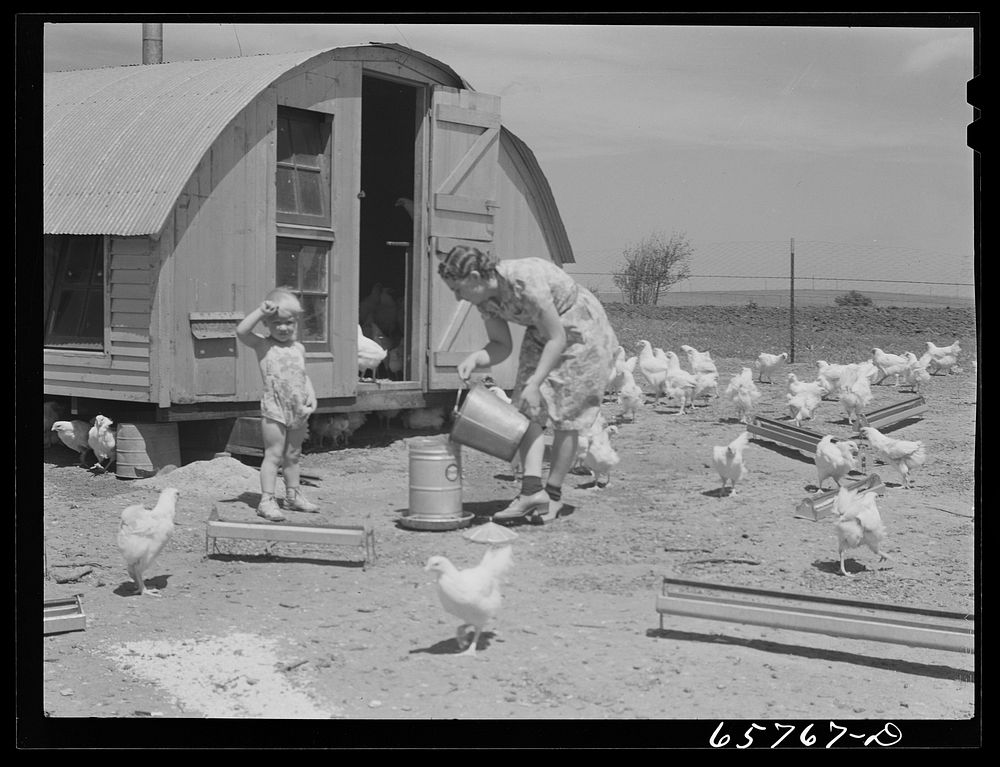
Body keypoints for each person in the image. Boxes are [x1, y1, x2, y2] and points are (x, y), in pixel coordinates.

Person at [439, 245, 619, 524]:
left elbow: (557, 338)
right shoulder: (484, 300)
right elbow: (501, 345)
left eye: (457, 288)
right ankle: (531, 492)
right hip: (543, 333)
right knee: (525, 409)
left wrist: (536, 382)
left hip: (581, 329)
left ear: (475, 277)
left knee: (567, 416)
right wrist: (477, 357)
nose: (456, 296)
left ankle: (554, 497)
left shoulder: (525, 281)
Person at [236, 288, 319, 521]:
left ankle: (293, 496)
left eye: (288, 322)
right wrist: (260, 312)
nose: (283, 328)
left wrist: (312, 395)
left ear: (296, 322)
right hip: (274, 408)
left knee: (293, 455)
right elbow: (241, 331)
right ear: (266, 324)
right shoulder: (263, 345)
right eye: (276, 323)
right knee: (273, 454)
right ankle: (267, 500)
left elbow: (303, 374)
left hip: (298, 408)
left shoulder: (298, 348)